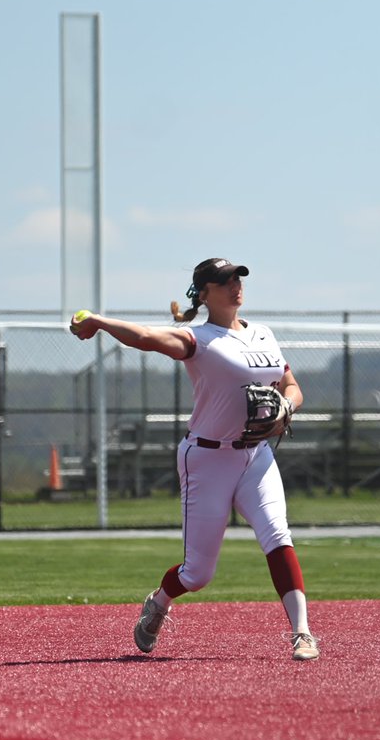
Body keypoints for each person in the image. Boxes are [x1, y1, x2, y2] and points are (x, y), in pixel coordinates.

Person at [69, 259, 319, 661]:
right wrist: (99, 321)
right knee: (198, 574)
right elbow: (146, 338)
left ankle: (302, 632)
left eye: (237, 278)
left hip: (255, 456)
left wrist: (286, 409)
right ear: (203, 294)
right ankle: (160, 601)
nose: (235, 285)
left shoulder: (263, 335)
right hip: (206, 458)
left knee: (277, 534)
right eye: (223, 281)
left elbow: (291, 386)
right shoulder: (198, 339)